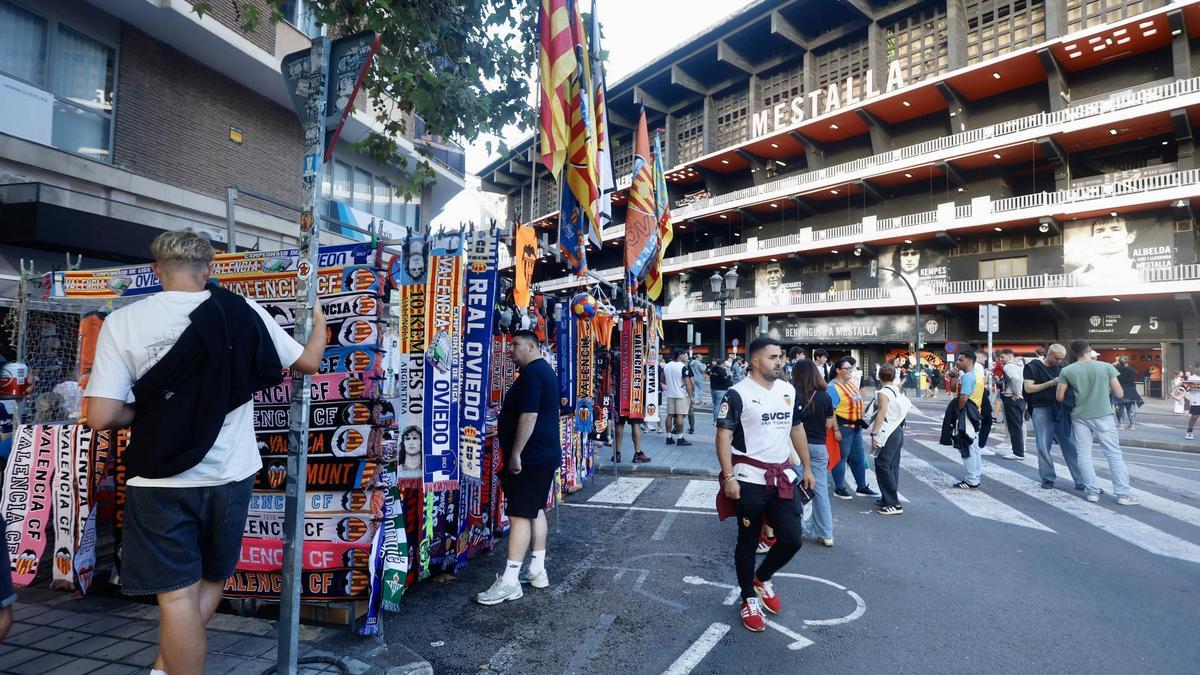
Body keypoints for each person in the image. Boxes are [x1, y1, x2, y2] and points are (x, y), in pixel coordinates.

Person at [85, 230, 326, 675]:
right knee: (213, 577)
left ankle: (166, 668)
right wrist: (320, 325)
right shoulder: (241, 311)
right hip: (229, 474)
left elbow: (100, 416)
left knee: (175, 596)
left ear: (157, 270)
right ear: (209, 268)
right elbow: (306, 363)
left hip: (155, 479)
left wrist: (152, 411)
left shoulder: (123, 321)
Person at [716, 336, 815, 633]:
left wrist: (807, 467)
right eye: (773, 357)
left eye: (780, 356)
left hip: (782, 475)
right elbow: (723, 438)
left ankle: (762, 576)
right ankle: (748, 597)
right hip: (749, 479)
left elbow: (796, 429)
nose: (779, 361)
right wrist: (729, 476)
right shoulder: (736, 394)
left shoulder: (788, 390)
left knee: (792, 538)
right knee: (747, 541)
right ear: (756, 361)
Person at [477, 330, 564, 605]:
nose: (509, 350)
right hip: (542, 455)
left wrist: (515, 453)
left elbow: (529, 416)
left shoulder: (532, 374)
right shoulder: (543, 371)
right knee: (534, 509)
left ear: (530, 346)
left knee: (518, 515)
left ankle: (510, 581)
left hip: (531, 457)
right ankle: (537, 570)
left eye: (514, 345)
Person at [1056, 339, 1138, 505]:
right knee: (1113, 454)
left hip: (1079, 416)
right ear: (1089, 350)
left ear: (1073, 353)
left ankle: (1092, 492)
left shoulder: (1067, 370)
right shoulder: (1106, 367)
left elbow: (1059, 397)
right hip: (1103, 415)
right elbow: (1120, 394)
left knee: (1084, 455)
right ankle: (1123, 494)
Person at [1024, 343, 1087, 490]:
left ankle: (1081, 480)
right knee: (1043, 445)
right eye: (1057, 358)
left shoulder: (1062, 368)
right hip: (1041, 407)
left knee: (1070, 445)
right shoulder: (1033, 367)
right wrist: (1051, 383)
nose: (1059, 361)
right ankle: (1047, 478)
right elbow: (1028, 388)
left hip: (1060, 408)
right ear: (1049, 354)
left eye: (1061, 359)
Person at [793, 359, 834, 547]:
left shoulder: (794, 395)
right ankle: (826, 533)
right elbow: (828, 423)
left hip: (797, 447)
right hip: (819, 446)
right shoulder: (825, 396)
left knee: (796, 488)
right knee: (820, 490)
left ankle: (798, 527)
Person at [827, 357, 877, 499]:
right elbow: (831, 412)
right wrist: (836, 430)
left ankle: (861, 487)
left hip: (854, 427)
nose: (850, 371)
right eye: (847, 369)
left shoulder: (850, 384)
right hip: (842, 428)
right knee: (841, 458)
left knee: (859, 458)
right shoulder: (832, 387)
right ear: (837, 370)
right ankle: (839, 488)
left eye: (851, 369)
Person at [870, 365, 909, 515]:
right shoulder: (898, 390)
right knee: (892, 465)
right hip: (898, 429)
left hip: (887, 431)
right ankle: (888, 497)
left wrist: (874, 433)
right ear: (893, 377)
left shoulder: (883, 393)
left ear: (878, 377)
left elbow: (881, 414)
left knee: (882, 463)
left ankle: (893, 503)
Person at [947, 350, 986, 489]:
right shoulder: (974, 375)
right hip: (975, 413)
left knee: (967, 446)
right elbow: (953, 389)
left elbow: (963, 397)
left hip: (968, 415)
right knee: (974, 447)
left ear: (969, 362)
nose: (957, 362)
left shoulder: (969, 377)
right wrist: (953, 377)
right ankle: (975, 477)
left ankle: (971, 480)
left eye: (961, 360)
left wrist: (958, 411)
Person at [1072, 215, 1139, 286]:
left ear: (1130, 237)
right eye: (1099, 231)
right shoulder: (1075, 277)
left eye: (1115, 230)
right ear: (1092, 239)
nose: (1106, 235)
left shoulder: (1144, 273)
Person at [996, 349, 1027, 459]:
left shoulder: (1008, 366)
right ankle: (1020, 449)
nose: (1001, 360)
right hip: (1022, 399)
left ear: (1010, 356)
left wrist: (1016, 393)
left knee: (1014, 426)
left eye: (1003, 357)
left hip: (1012, 398)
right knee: (1019, 424)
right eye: (1000, 357)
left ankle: (1018, 453)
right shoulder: (1020, 365)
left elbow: (1016, 379)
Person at [663, 348, 694, 446]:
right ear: (680, 355)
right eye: (685, 354)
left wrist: (671, 384)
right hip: (681, 395)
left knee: (670, 415)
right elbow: (688, 383)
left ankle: (669, 437)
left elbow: (662, 379)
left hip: (670, 394)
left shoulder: (666, 366)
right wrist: (691, 397)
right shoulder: (683, 367)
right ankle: (680, 438)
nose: (686, 356)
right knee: (680, 416)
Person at [1112, 355, 1141, 430]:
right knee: (1131, 407)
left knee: (1119, 407)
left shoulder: (1115, 369)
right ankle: (1132, 424)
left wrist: (1114, 364)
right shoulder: (1133, 369)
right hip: (1131, 391)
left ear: (1118, 361)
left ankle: (1121, 424)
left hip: (1119, 389)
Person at [688, 353, 707, 434]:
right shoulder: (699, 363)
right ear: (699, 357)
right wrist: (705, 366)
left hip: (693, 378)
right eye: (701, 357)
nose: (702, 358)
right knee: (700, 390)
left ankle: (695, 400)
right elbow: (702, 370)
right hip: (699, 377)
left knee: (695, 390)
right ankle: (700, 400)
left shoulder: (692, 363)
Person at [1181, 375, 1200, 440]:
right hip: (1196, 400)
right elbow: (1185, 388)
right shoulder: (1192, 378)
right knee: (1195, 416)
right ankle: (1189, 432)